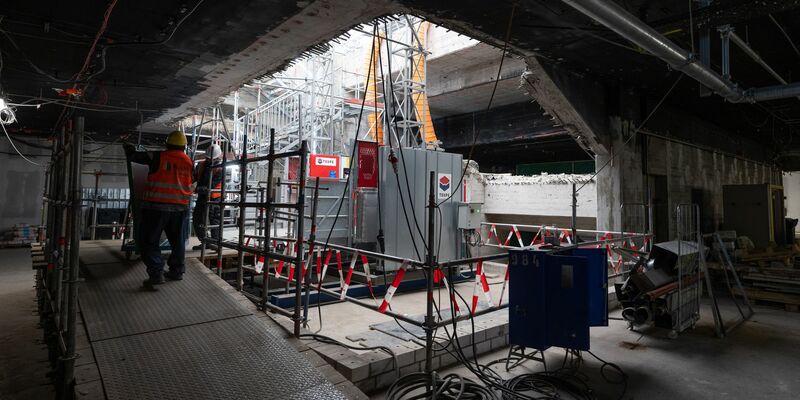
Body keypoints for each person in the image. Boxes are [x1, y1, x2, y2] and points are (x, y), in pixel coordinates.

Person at [124, 131, 193, 291]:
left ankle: (156, 274)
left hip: (157, 207)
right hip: (180, 207)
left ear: (167, 144)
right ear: (184, 146)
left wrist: (128, 148)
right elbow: (191, 180)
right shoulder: (189, 161)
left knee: (149, 241)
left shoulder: (158, 156)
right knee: (177, 242)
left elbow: (134, 157)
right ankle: (177, 271)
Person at [192, 144, 223, 250]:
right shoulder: (201, 165)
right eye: (209, 158)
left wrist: (195, 189)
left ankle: (215, 243)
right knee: (197, 218)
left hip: (215, 197)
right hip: (202, 196)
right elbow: (194, 177)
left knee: (214, 220)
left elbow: (212, 185)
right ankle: (205, 241)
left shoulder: (220, 168)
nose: (210, 160)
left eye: (212, 158)